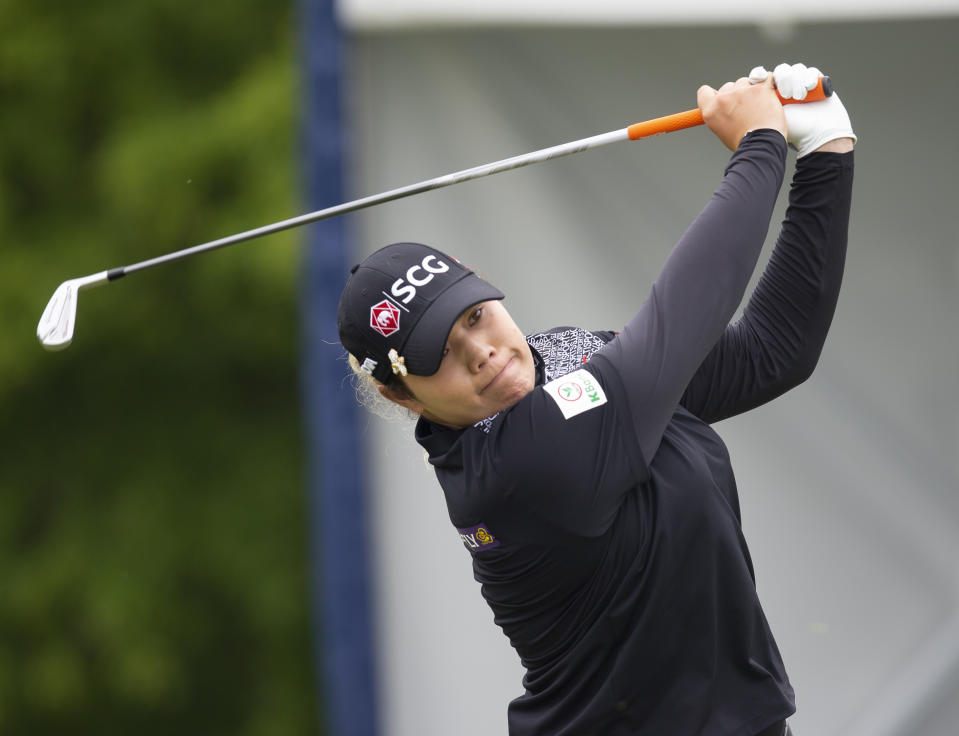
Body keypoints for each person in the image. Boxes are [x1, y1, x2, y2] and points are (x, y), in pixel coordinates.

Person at [336, 62, 855, 736]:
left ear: (486, 287)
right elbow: (684, 312)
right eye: (438, 354)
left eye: (471, 317)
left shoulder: (564, 357)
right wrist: (757, 143)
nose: (481, 351)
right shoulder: (512, 470)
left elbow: (769, 353)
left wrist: (823, 151)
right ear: (401, 396)